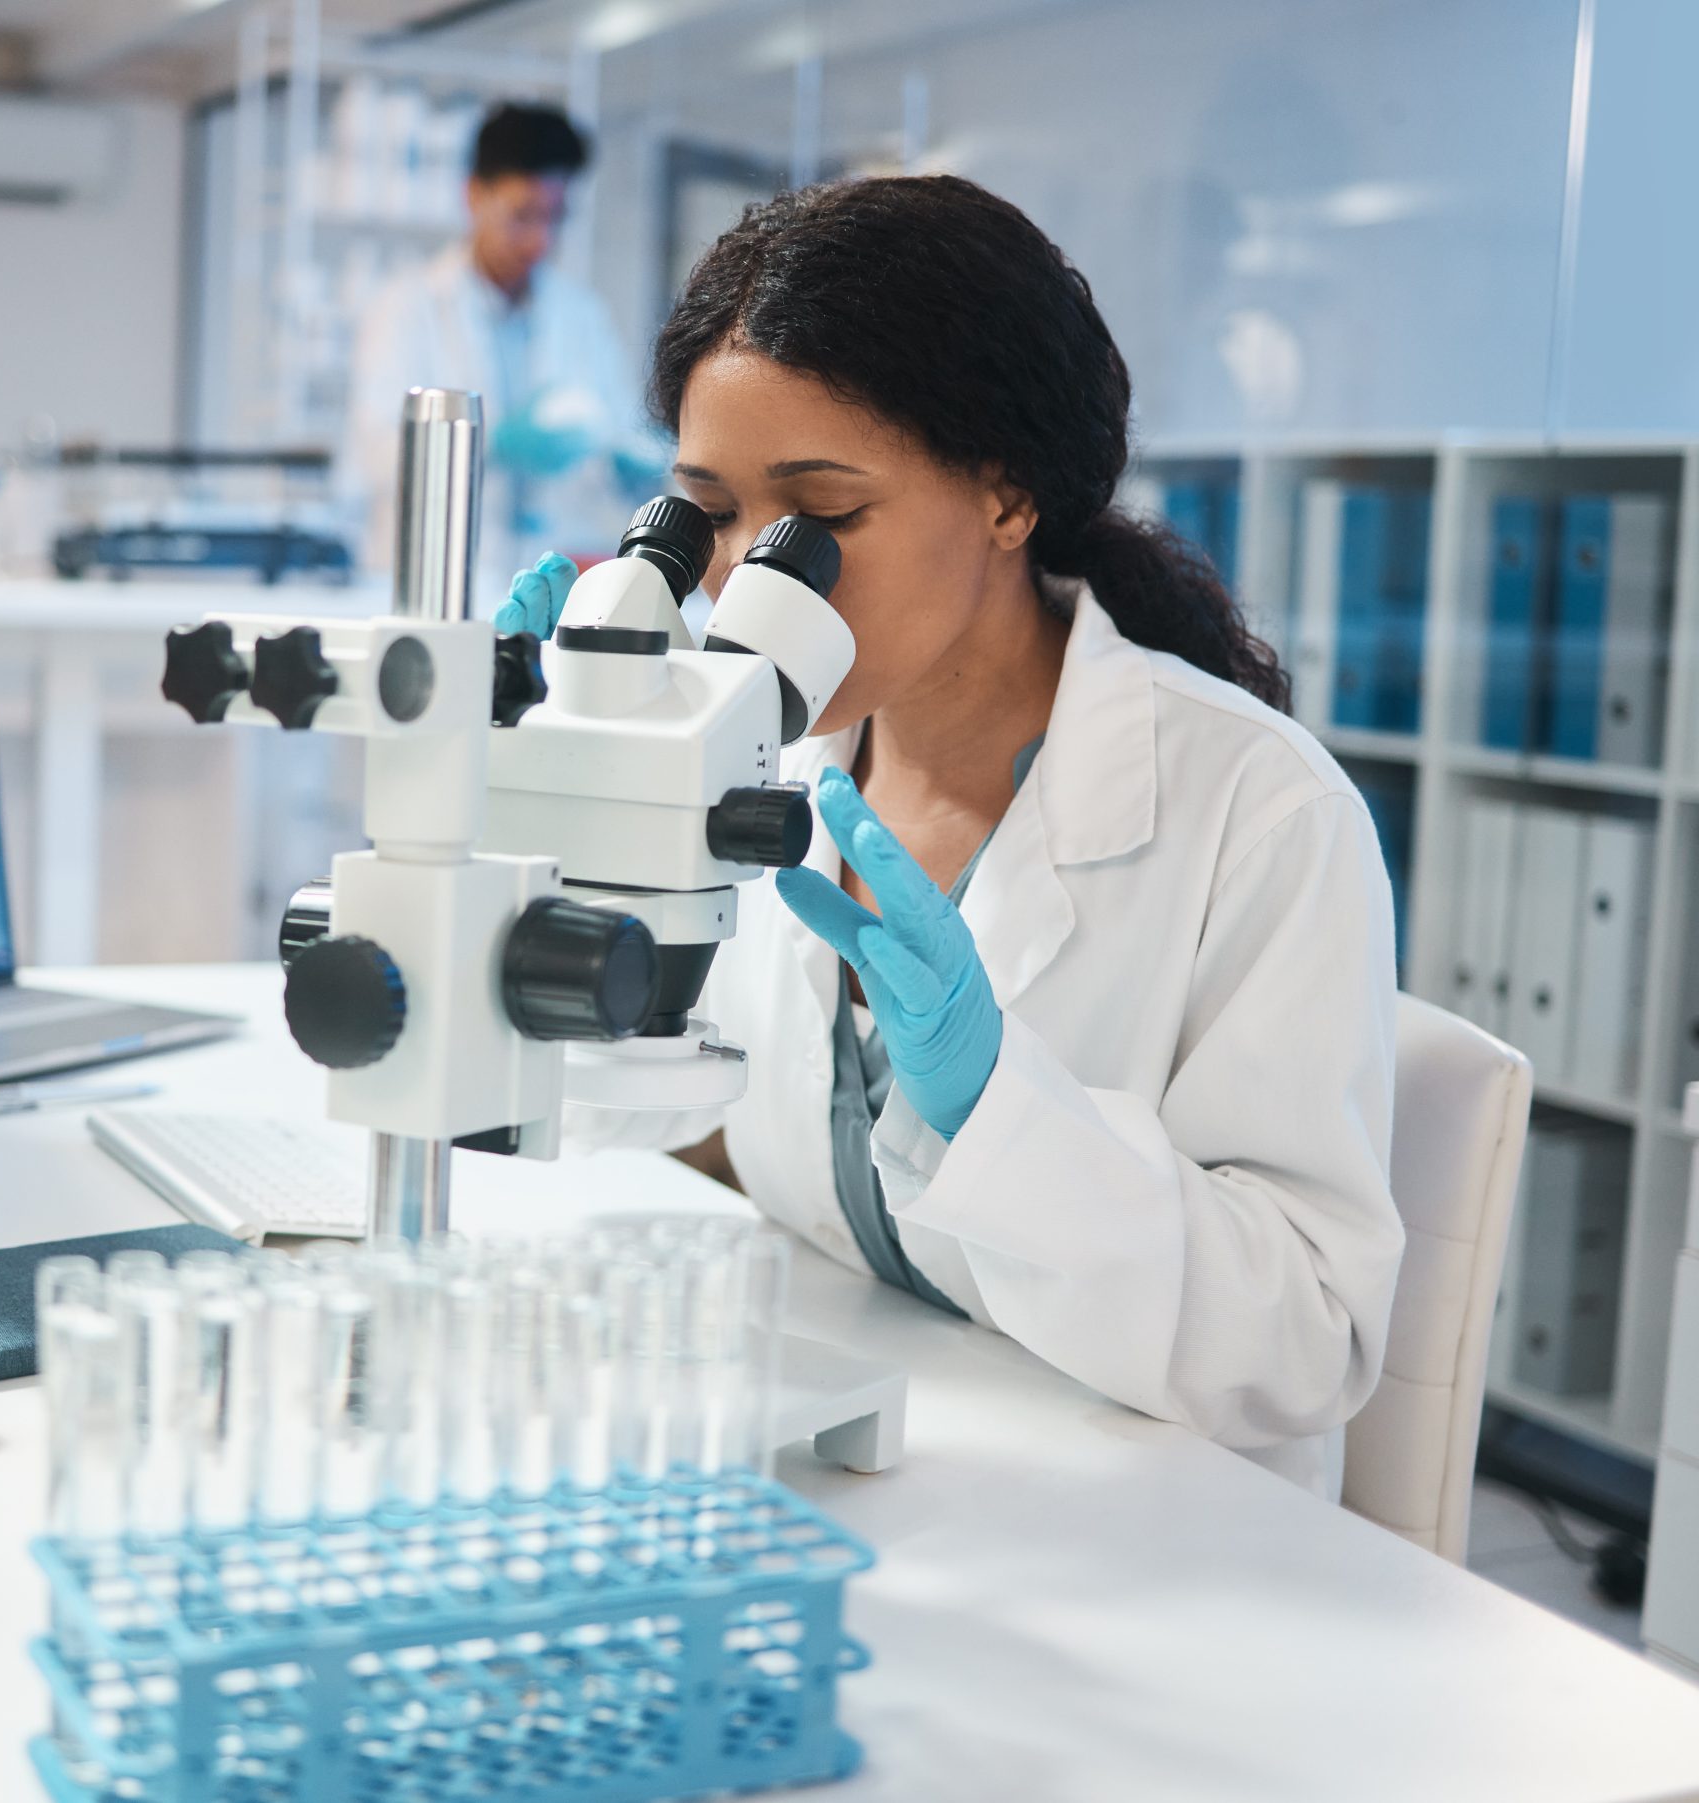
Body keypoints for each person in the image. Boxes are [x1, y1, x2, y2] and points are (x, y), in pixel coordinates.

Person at [496, 176, 1405, 1500]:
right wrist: (549, 850)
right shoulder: (770, 754)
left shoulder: (1261, 814)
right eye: (706, 512)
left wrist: (1003, 1112)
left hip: (1156, 1544)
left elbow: (1307, 1344)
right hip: (882, 1470)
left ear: (1005, 491)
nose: (750, 579)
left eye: (819, 517)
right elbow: (720, 1138)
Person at [345, 102, 654, 598]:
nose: (540, 240)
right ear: (474, 196)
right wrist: (490, 443)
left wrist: (633, 458)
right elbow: (375, 456)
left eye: (556, 217)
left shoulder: (582, 316)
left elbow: (613, 430)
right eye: (523, 216)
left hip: (549, 584)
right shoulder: (406, 310)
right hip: (431, 581)